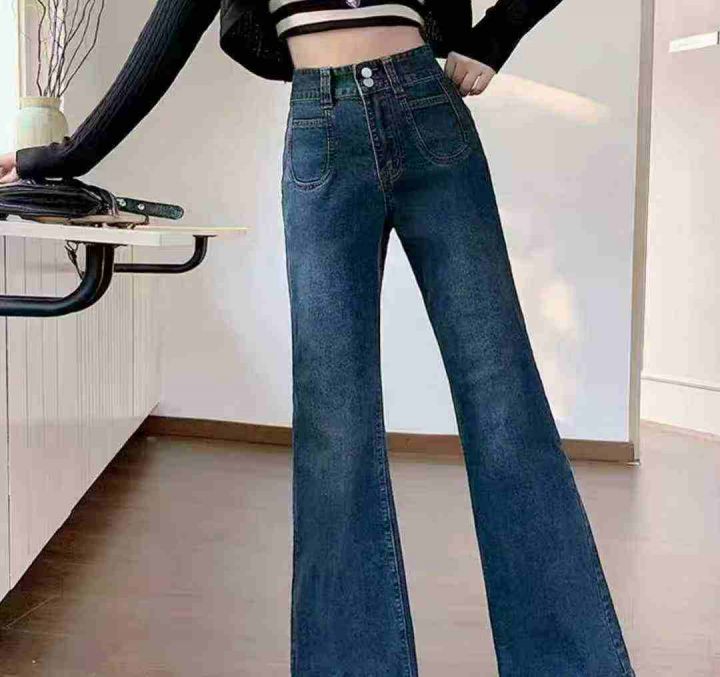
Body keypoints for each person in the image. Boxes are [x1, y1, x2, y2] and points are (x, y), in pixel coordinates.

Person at [0, 1, 637, 675]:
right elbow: (168, 34)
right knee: (335, 428)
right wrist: (55, 159)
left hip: (427, 109)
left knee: (504, 402)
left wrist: (497, 37)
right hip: (321, 128)